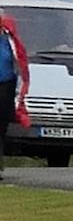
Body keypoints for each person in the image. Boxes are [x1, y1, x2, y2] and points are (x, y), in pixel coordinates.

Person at [0, 11, 32, 182]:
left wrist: (19, 94)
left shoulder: (9, 41)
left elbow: (20, 63)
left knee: (1, 127)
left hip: (6, 87)